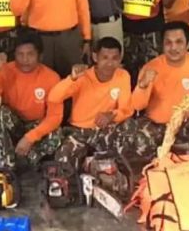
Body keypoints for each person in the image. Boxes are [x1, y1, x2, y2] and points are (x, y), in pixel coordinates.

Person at [116, 22, 189, 163]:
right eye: (168, 43)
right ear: (162, 45)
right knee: (136, 142)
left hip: (185, 123)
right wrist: (142, 86)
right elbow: (137, 106)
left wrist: (178, 118)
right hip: (156, 125)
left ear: (188, 44)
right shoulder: (151, 67)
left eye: (179, 42)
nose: (173, 47)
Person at [49, 37, 133, 177]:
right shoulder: (82, 76)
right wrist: (72, 78)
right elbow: (53, 98)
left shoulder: (123, 76)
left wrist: (111, 114)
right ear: (95, 57)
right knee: (63, 164)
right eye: (105, 58)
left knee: (130, 130)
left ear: (120, 59)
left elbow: (127, 110)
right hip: (79, 131)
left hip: (105, 130)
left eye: (115, 58)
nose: (109, 63)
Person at [0, 32, 63, 170]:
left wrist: (30, 138)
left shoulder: (52, 78)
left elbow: (55, 117)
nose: (25, 59)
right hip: (14, 124)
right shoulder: (5, 71)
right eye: (20, 54)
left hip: (37, 127)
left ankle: (32, 157)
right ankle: (9, 161)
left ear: (40, 56)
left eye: (30, 54)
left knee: (57, 133)